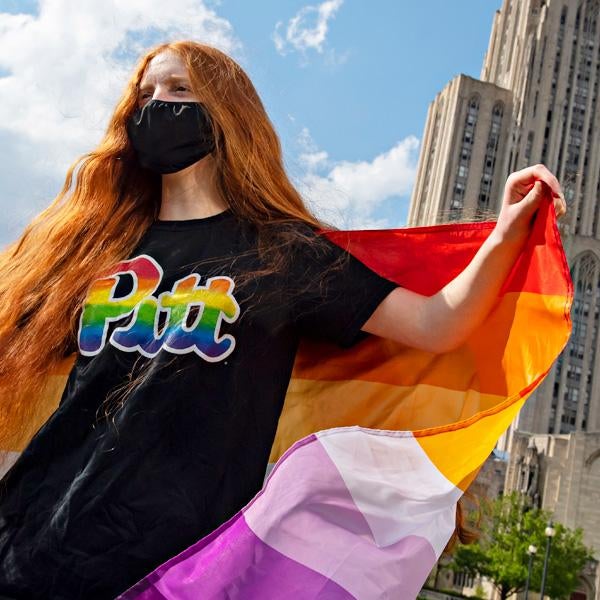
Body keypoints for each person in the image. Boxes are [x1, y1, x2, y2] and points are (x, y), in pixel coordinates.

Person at [0, 40, 566, 599]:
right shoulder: (95, 247)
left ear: (226, 114)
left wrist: (507, 232)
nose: (155, 105)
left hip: (177, 567)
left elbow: (436, 325)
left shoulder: (283, 254)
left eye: (178, 89)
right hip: (30, 539)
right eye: (144, 94)